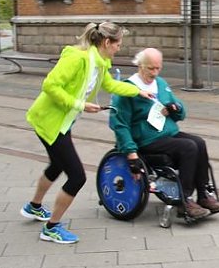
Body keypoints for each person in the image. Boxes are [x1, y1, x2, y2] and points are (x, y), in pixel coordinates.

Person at [21, 22, 154, 244]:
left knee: (57, 165)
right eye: (118, 44)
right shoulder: (77, 58)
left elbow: (110, 85)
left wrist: (138, 91)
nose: (119, 48)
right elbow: (50, 86)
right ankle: (51, 227)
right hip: (49, 122)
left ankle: (34, 206)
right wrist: (80, 105)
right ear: (106, 42)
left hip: (60, 122)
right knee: (77, 176)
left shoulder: (100, 63)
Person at [110, 47, 219, 219]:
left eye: (158, 68)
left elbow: (181, 113)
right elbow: (119, 124)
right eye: (151, 68)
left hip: (167, 132)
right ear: (140, 65)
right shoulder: (127, 89)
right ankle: (184, 201)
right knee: (188, 147)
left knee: (199, 142)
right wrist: (130, 153)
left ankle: (203, 194)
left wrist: (175, 108)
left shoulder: (161, 84)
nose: (155, 73)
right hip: (145, 139)